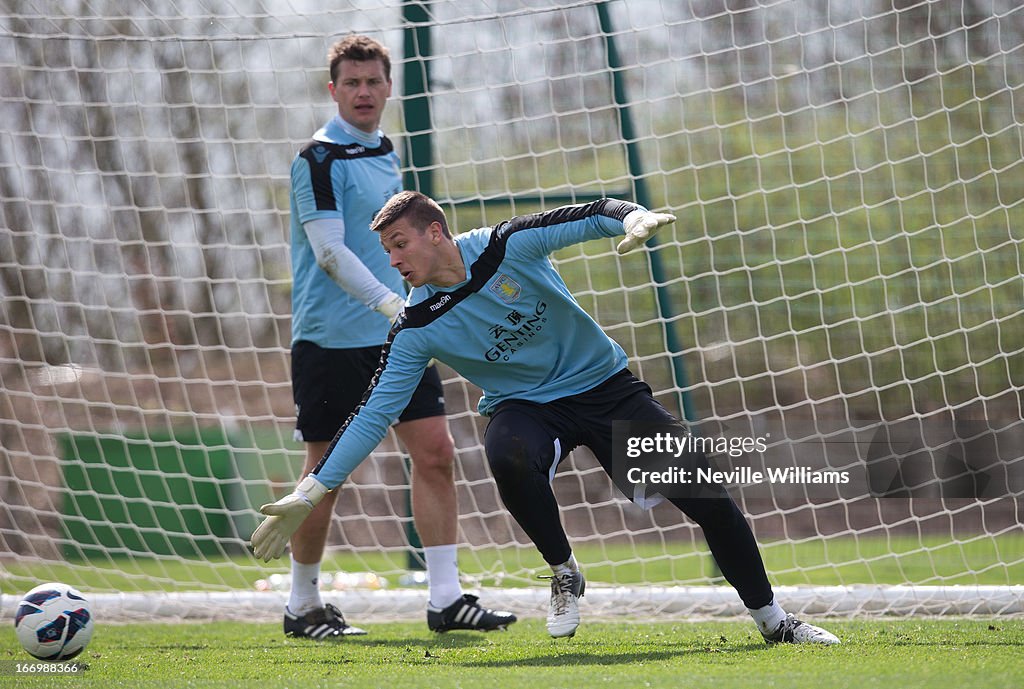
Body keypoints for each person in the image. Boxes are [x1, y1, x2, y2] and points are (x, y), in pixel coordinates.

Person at [256, 191, 839, 645]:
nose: (393, 259)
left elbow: (588, 215)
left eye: (400, 243)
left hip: (606, 390)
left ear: (436, 232)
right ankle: (564, 571)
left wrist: (631, 218)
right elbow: (373, 413)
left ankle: (776, 622)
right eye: (386, 250)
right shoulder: (414, 326)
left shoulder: (505, 245)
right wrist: (312, 491)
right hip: (528, 409)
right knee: (506, 454)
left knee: (707, 498)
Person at [281, 35, 515, 640]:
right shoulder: (317, 159)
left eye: (373, 82)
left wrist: (418, 307)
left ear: (388, 87)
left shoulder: (386, 151)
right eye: (351, 82)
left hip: (399, 336)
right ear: (333, 89)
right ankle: (302, 606)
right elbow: (330, 252)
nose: (363, 92)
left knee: (436, 453)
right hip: (331, 340)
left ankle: (445, 599)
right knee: (324, 477)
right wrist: (391, 303)